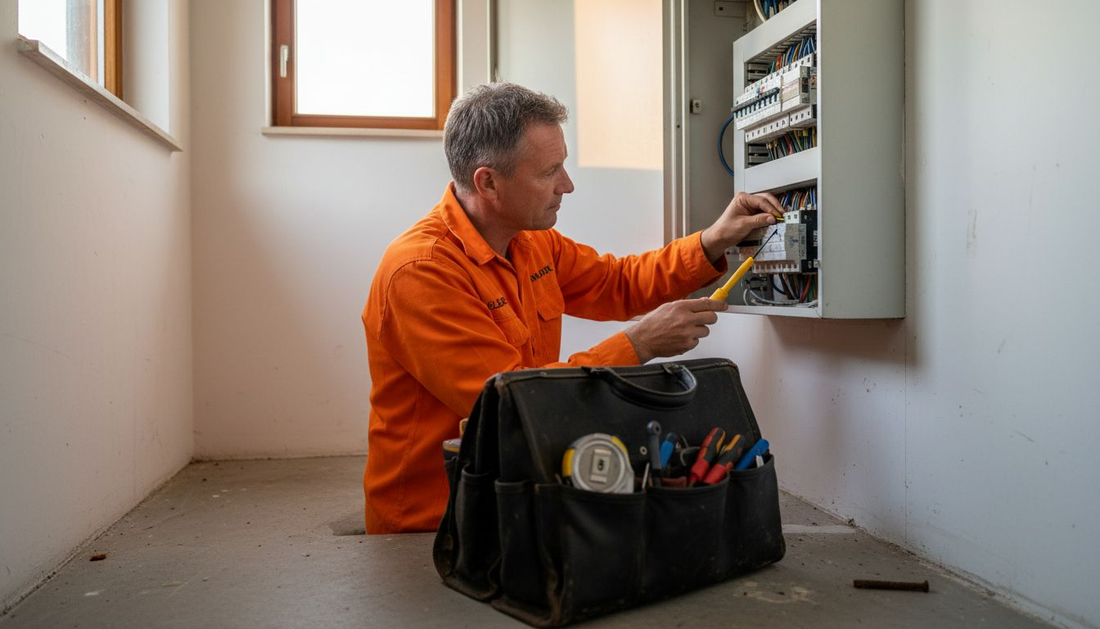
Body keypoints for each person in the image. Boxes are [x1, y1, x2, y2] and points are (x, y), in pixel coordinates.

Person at [361, 83, 783, 534]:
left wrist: (712, 240)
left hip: (517, 496)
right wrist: (638, 344)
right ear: (488, 182)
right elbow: (511, 403)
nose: (568, 185)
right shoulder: (420, 272)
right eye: (550, 171)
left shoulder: (529, 240)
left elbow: (617, 282)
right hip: (436, 523)